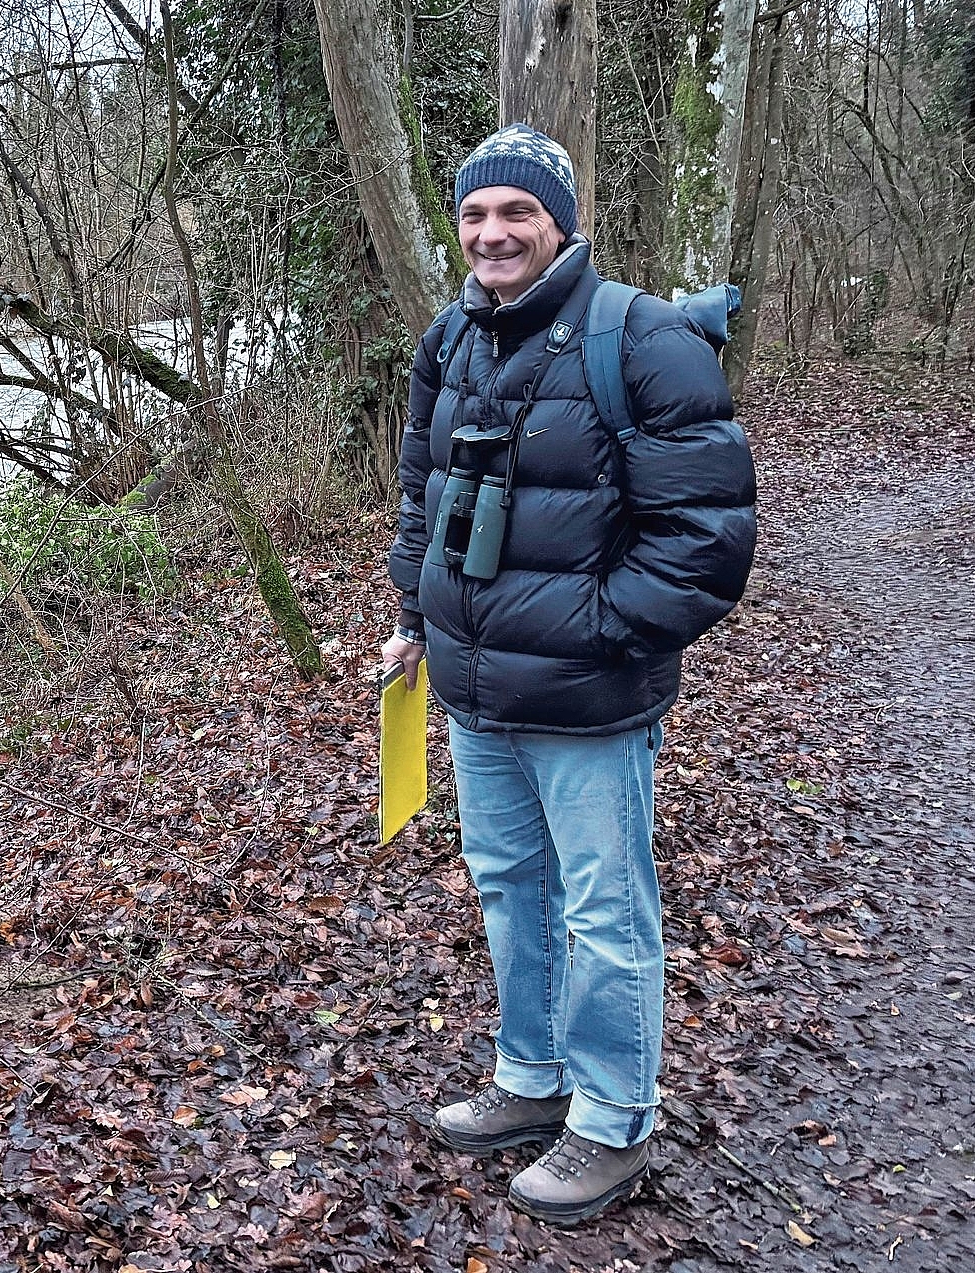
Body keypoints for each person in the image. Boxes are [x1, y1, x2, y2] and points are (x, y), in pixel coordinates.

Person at [380, 124, 757, 1224]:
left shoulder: (642, 341)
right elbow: (421, 497)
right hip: (470, 691)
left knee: (605, 912)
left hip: (589, 700)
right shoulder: (450, 338)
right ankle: (532, 1077)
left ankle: (613, 1119)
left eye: (517, 214)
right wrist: (412, 617)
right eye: (475, 214)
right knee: (510, 890)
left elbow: (707, 540)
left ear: (560, 223)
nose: (493, 233)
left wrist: (594, 628)